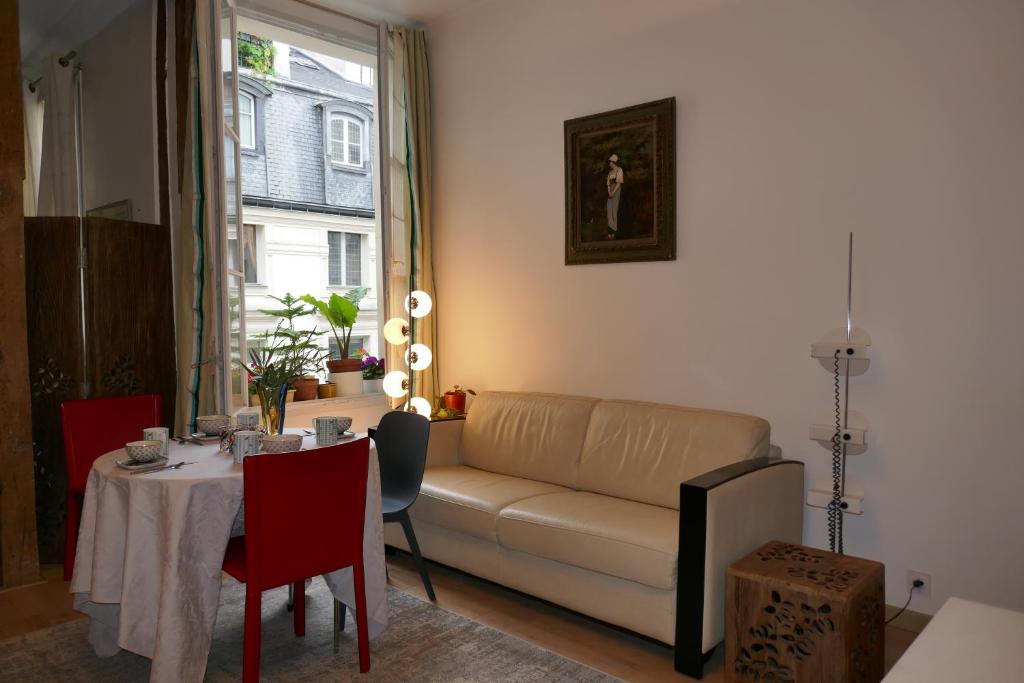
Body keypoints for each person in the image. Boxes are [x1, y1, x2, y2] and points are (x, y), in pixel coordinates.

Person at [606, 154, 624, 239]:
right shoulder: (610, 172)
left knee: (614, 211)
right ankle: (610, 232)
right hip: (611, 192)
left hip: (616, 191)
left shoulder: (619, 170)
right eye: (610, 162)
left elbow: (619, 183)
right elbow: (608, 184)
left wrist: (613, 192)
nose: (609, 163)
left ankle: (614, 233)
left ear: (614, 162)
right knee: (609, 211)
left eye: (610, 162)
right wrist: (609, 191)